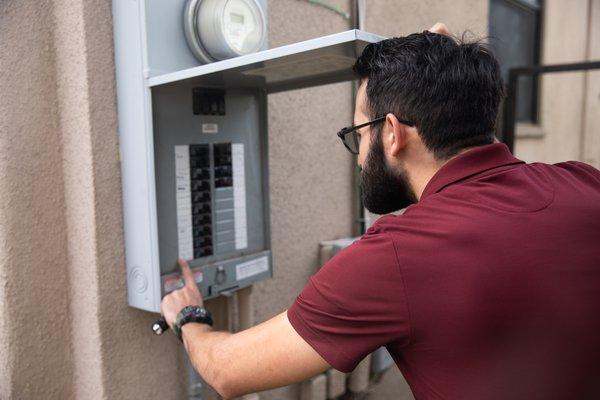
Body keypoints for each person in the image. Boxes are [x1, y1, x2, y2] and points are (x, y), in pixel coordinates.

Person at [160, 23, 600, 399]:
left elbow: (227, 371)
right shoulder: (584, 184)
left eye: (357, 132)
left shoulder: (396, 257)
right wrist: (439, 70)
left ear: (391, 133)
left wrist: (190, 316)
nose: (356, 154)